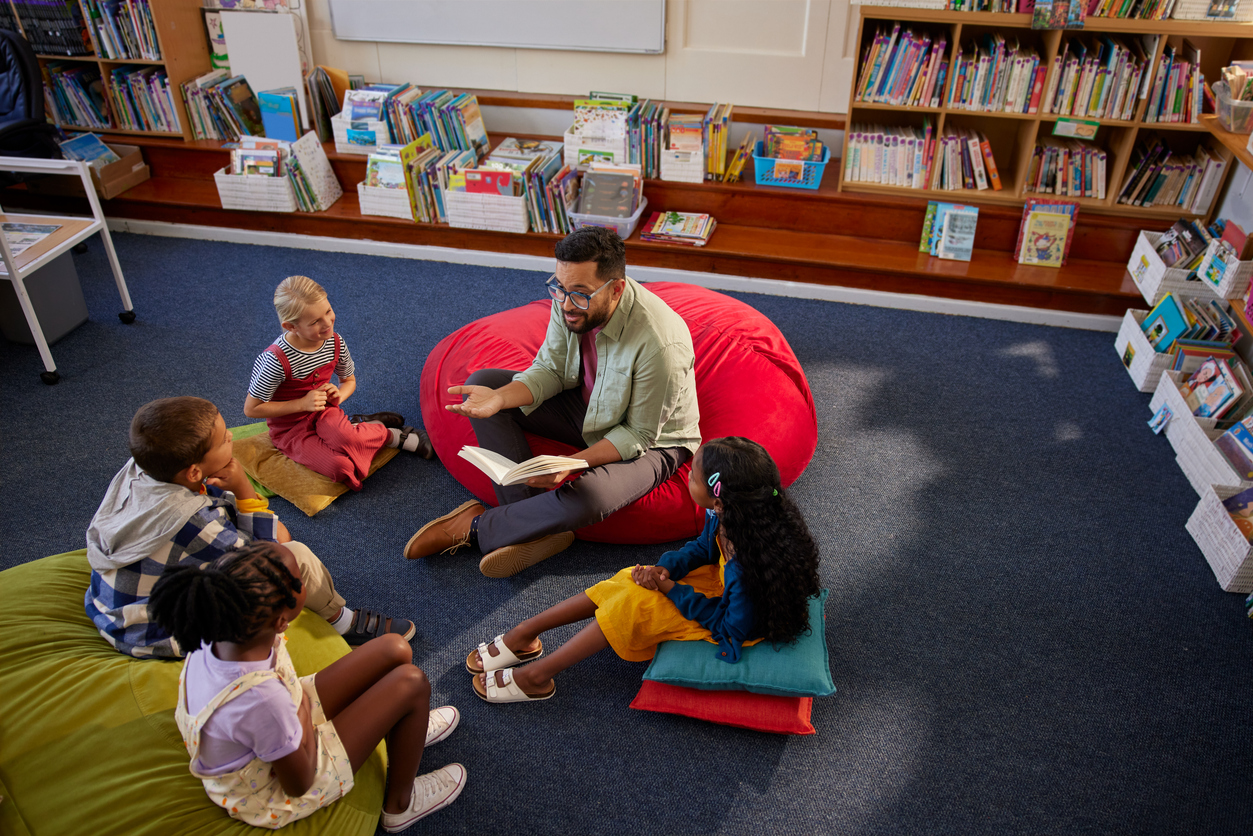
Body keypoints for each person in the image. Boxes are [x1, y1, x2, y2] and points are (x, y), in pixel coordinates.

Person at [404, 228, 702, 577]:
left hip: (656, 443)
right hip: (587, 405)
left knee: (592, 496)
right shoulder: (569, 301)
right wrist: (500, 398)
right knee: (483, 384)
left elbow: (638, 434)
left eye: (579, 293)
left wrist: (572, 463)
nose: (565, 304)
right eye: (559, 288)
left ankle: (478, 526)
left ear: (616, 288)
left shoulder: (662, 344)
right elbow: (551, 370)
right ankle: (531, 527)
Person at [462, 437, 821, 702]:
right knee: (628, 579)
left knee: (633, 608)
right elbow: (701, 549)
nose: (687, 478)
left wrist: (668, 590)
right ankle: (526, 632)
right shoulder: (728, 516)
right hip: (720, 584)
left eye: (692, 478)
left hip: (729, 619)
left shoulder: (747, 568)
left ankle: (538, 676)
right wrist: (663, 570)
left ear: (718, 499)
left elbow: (726, 624)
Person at [148, 542, 466, 831]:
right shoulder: (261, 700)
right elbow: (298, 784)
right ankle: (400, 806)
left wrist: (297, 709)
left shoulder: (222, 630)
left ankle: (400, 729)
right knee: (412, 683)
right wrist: (300, 716)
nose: (303, 576)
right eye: (299, 580)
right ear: (281, 622)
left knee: (395, 649)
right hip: (278, 783)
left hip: (283, 719)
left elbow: (281, 704)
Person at [86, 396, 414, 659]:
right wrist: (243, 487)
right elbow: (275, 548)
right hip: (159, 633)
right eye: (224, 439)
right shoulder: (193, 521)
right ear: (193, 473)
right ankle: (342, 622)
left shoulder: (139, 470)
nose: (232, 436)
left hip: (111, 607)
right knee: (295, 556)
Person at [243, 275, 432, 491]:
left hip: (325, 412)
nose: (327, 323)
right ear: (291, 326)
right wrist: (302, 404)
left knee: (347, 440)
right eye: (315, 322)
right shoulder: (274, 361)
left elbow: (348, 381)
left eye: (328, 311)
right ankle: (360, 427)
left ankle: (393, 436)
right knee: (341, 467)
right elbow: (251, 409)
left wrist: (338, 396)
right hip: (290, 429)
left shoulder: (335, 341)